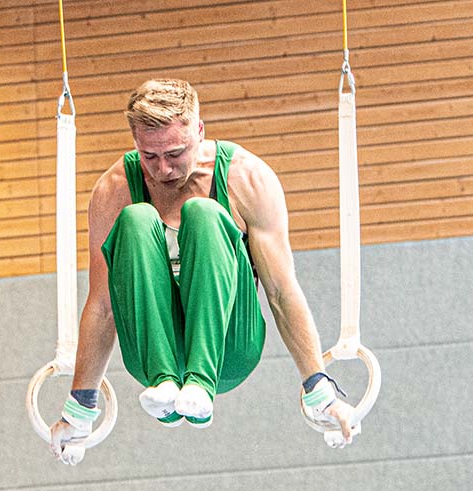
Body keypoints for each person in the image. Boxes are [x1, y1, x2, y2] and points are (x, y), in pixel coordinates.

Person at [50, 78, 354, 464]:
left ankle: (200, 383)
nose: (164, 169)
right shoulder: (114, 189)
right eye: (149, 156)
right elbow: (104, 305)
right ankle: (164, 383)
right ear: (135, 142)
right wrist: (80, 407)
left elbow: (280, 290)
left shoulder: (246, 178)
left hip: (229, 348)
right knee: (136, 218)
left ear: (199, 130)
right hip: (149, 353)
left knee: (204, 212)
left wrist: (319, 389)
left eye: (176, 153)